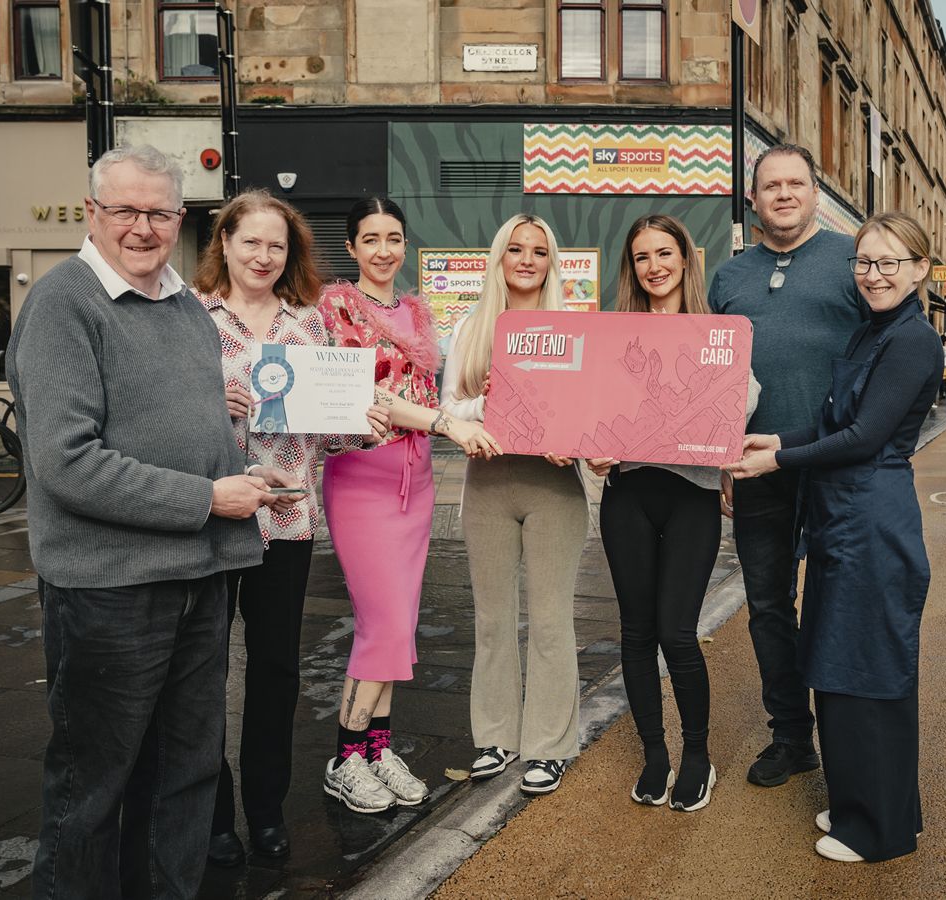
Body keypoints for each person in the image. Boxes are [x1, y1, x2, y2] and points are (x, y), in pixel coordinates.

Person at [7, 145, 298, 899]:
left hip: (200, 579)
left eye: (160, 212)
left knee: (186, 778)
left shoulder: (182, 307)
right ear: (93, 214)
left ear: (181, 219)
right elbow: (67, 463)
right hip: (109, 590)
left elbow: (191, 433)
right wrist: (208, 498)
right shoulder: (63, 302)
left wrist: (242, 473)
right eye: (126, 211)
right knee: (93, 787)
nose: (143, 227)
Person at [724, 210, 939, 864]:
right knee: (847, 665)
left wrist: (774, 461)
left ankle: (874, 830)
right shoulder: (875, 330)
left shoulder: (911, 339)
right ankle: (870, 805)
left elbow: (864, 436)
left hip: (871, 518)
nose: (873, 275)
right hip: (846, 517)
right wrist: (779, 438)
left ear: (919, 269)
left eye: (888, 263)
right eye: (865, 263)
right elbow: (831, 419)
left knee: (866, 671)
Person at [192, 190, 389, 866]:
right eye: (251, 242)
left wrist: (359, 425)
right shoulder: (190, 320)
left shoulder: (308, 328)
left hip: (285, 520)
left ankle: (268, 810)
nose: (263, 255)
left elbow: (327, 435)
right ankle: (214, 816)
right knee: (203, 673)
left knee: (275, 673)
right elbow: (157, 418)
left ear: (290, 253)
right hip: (210, 520)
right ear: (225, 242)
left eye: (276, 245)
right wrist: (204, 403)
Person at [318, 197, 502, 813]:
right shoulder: (338, 305)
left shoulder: (419, 311)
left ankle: (375, 748)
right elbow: (363, 391)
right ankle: (344, 758)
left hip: (415, 476)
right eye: (369, 239)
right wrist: (447, 423)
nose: (383, 250)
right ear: (351, 248)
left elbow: (433, 388)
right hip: (363, 475)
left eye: (393, 238)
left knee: (398, 624)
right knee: (385, 622)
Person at [707, 143, 867, 787]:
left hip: (831, 460)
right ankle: (791, 736)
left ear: (814, 193)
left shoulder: (852, 262)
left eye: (794, 183)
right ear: (753, 198)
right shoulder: (729, 277)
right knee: (769, 604)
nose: (782, 194)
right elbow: (715, 377)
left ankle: (848, 741)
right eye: (770, 185)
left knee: (837, 601)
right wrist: (718, 454)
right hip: (753, 464)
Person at [586, 215, 759, 811]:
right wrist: (595, 450)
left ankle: (697, 756)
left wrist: (723, 396)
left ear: (686, 259)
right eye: (641, 257)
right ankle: (654, 754)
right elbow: (597, 413)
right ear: (631, 269)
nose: (654, 266)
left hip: (692, 496)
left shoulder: (717, 331)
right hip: (629, 494)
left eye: (664, 253)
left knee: (676, 633)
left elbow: (748, 399)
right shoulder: (616, 335)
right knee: (635, 634)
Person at [440, 214, 589, 795]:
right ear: (500, 257)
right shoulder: (471, 329)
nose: (527, 259)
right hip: (488, 484)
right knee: (493, 620)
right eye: (517, 249)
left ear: (551, 263)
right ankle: (496, 738)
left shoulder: (573, 330)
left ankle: (549, 746)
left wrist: (572, 441)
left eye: (540, 251)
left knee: (551, 622)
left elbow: (590, 415)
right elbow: (448, 411)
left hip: (554, 487)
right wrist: (486, 403)